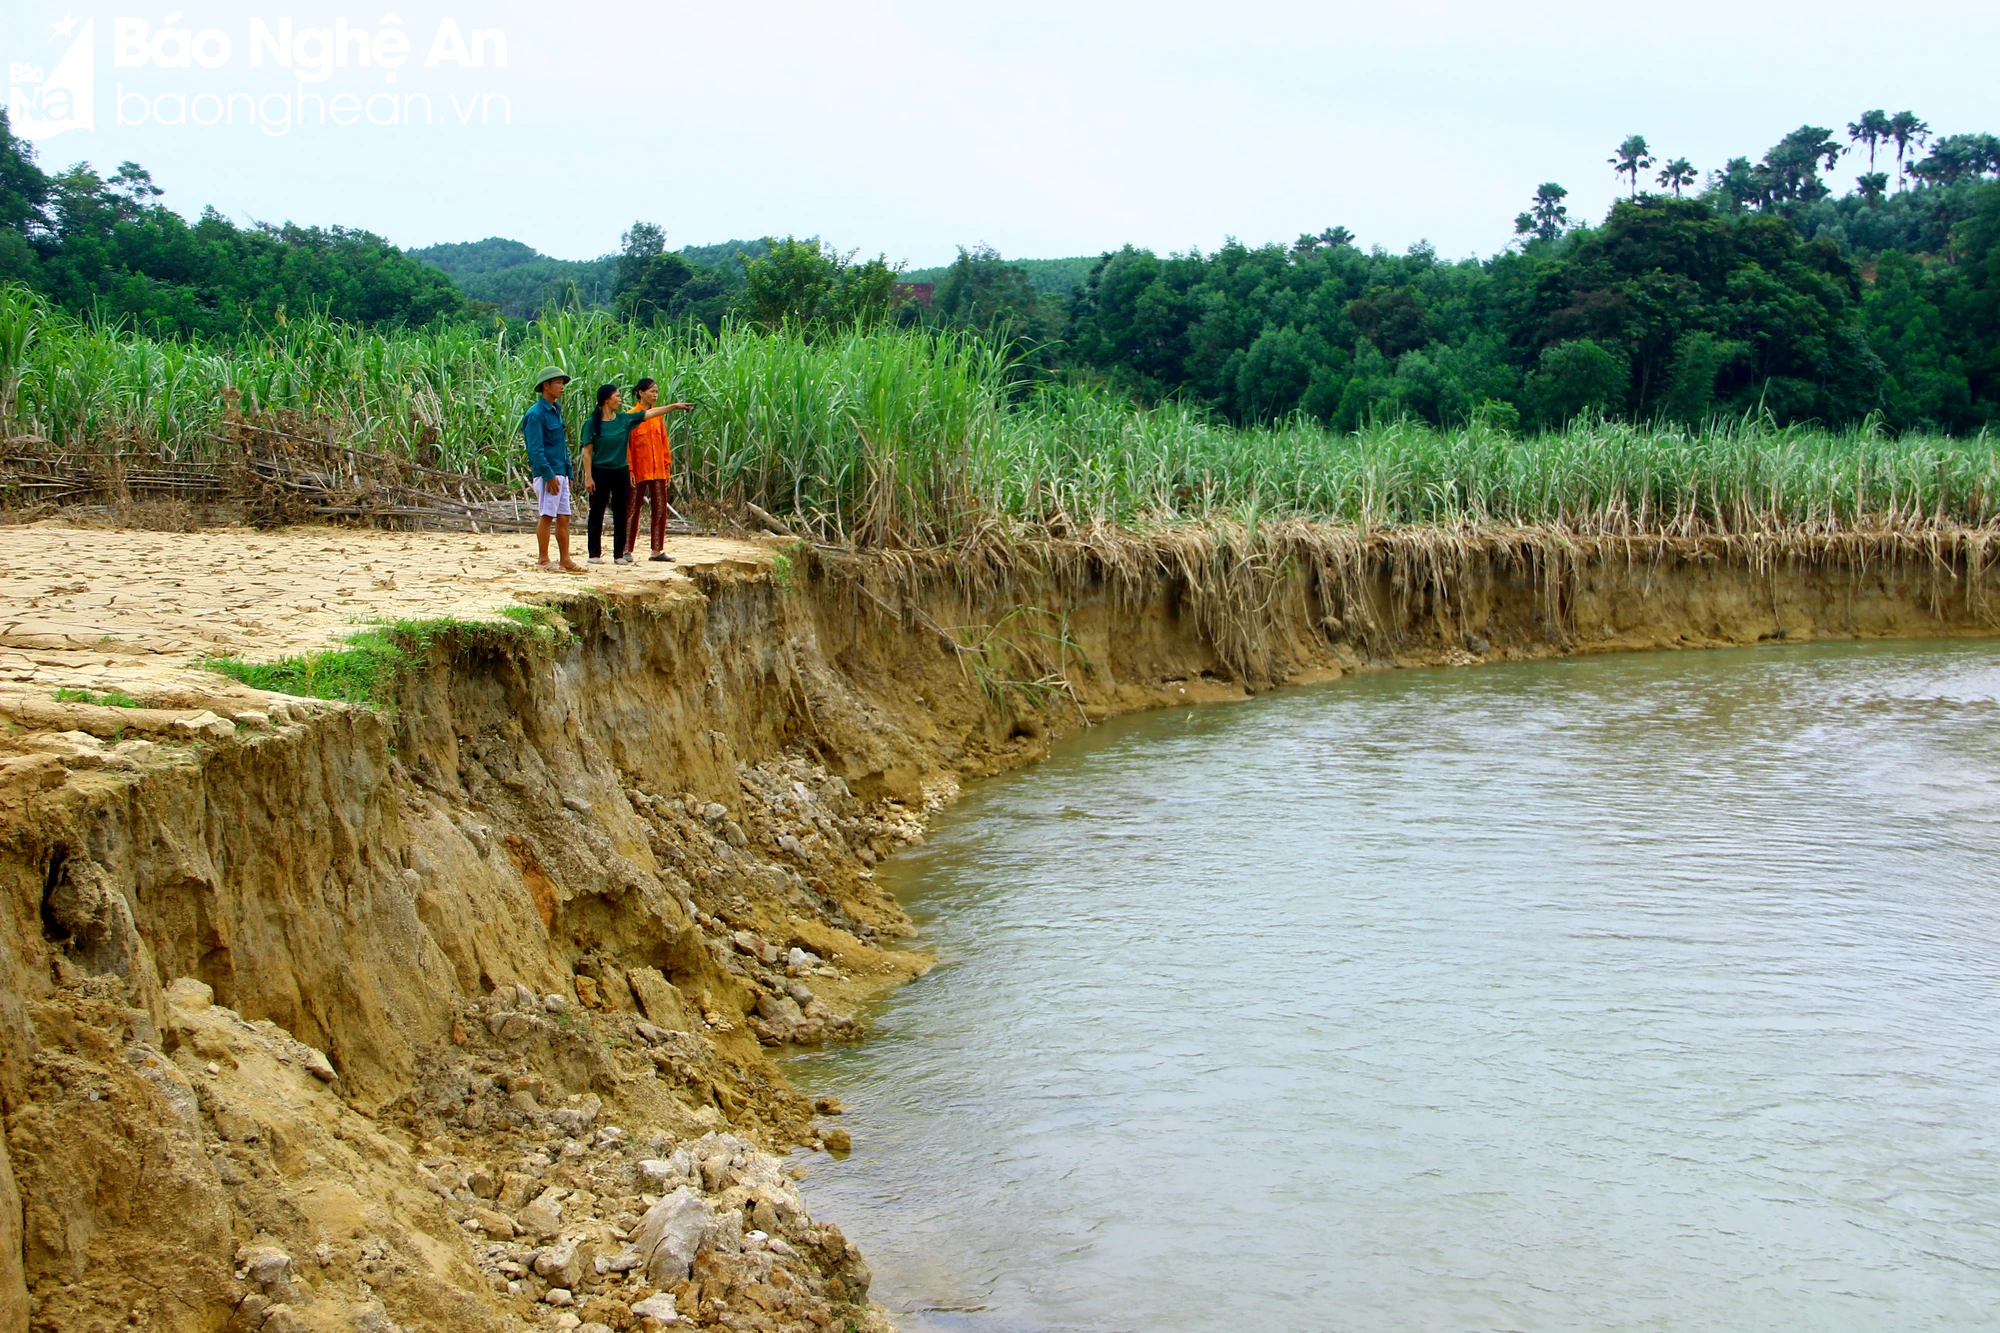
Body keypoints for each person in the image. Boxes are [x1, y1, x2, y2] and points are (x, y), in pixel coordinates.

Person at [579, 382, 686, 565]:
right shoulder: (592, 423)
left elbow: (651, 413)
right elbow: (587, 452)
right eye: (617, 396)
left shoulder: (623, 420)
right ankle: (594, 553)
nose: (620, 400)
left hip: (619, 470)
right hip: (601, 470)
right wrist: (588, 476)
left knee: (621, 511)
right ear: (606, 400)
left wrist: (674, 407)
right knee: (597, 511)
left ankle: (619, 554)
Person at [624, 377, 693, 563]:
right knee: (632, 510)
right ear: (641, 393)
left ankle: (656, 550)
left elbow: (664, 444)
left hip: (658, 471)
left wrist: (666, 467)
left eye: (656, 391)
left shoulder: (657, 418)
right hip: (639, 470)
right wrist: (629, 470)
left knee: (660, 509)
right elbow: (627, 447)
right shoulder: (631, 416)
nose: (655, 395)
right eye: (651, 391)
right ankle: (626, 549)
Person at [521, 366, 582, 572]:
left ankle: (565, 559)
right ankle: (543, 559)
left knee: (564, 516)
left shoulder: (556, 411)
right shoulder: (536, 414)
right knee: (547, 515)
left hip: (560, 471)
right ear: (546, 386)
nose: (562, 386)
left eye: (563, 383)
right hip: (549, 474)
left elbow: (561, 444)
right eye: (558, 382)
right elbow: (535, 449)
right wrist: (548, 474)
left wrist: (569, 471)